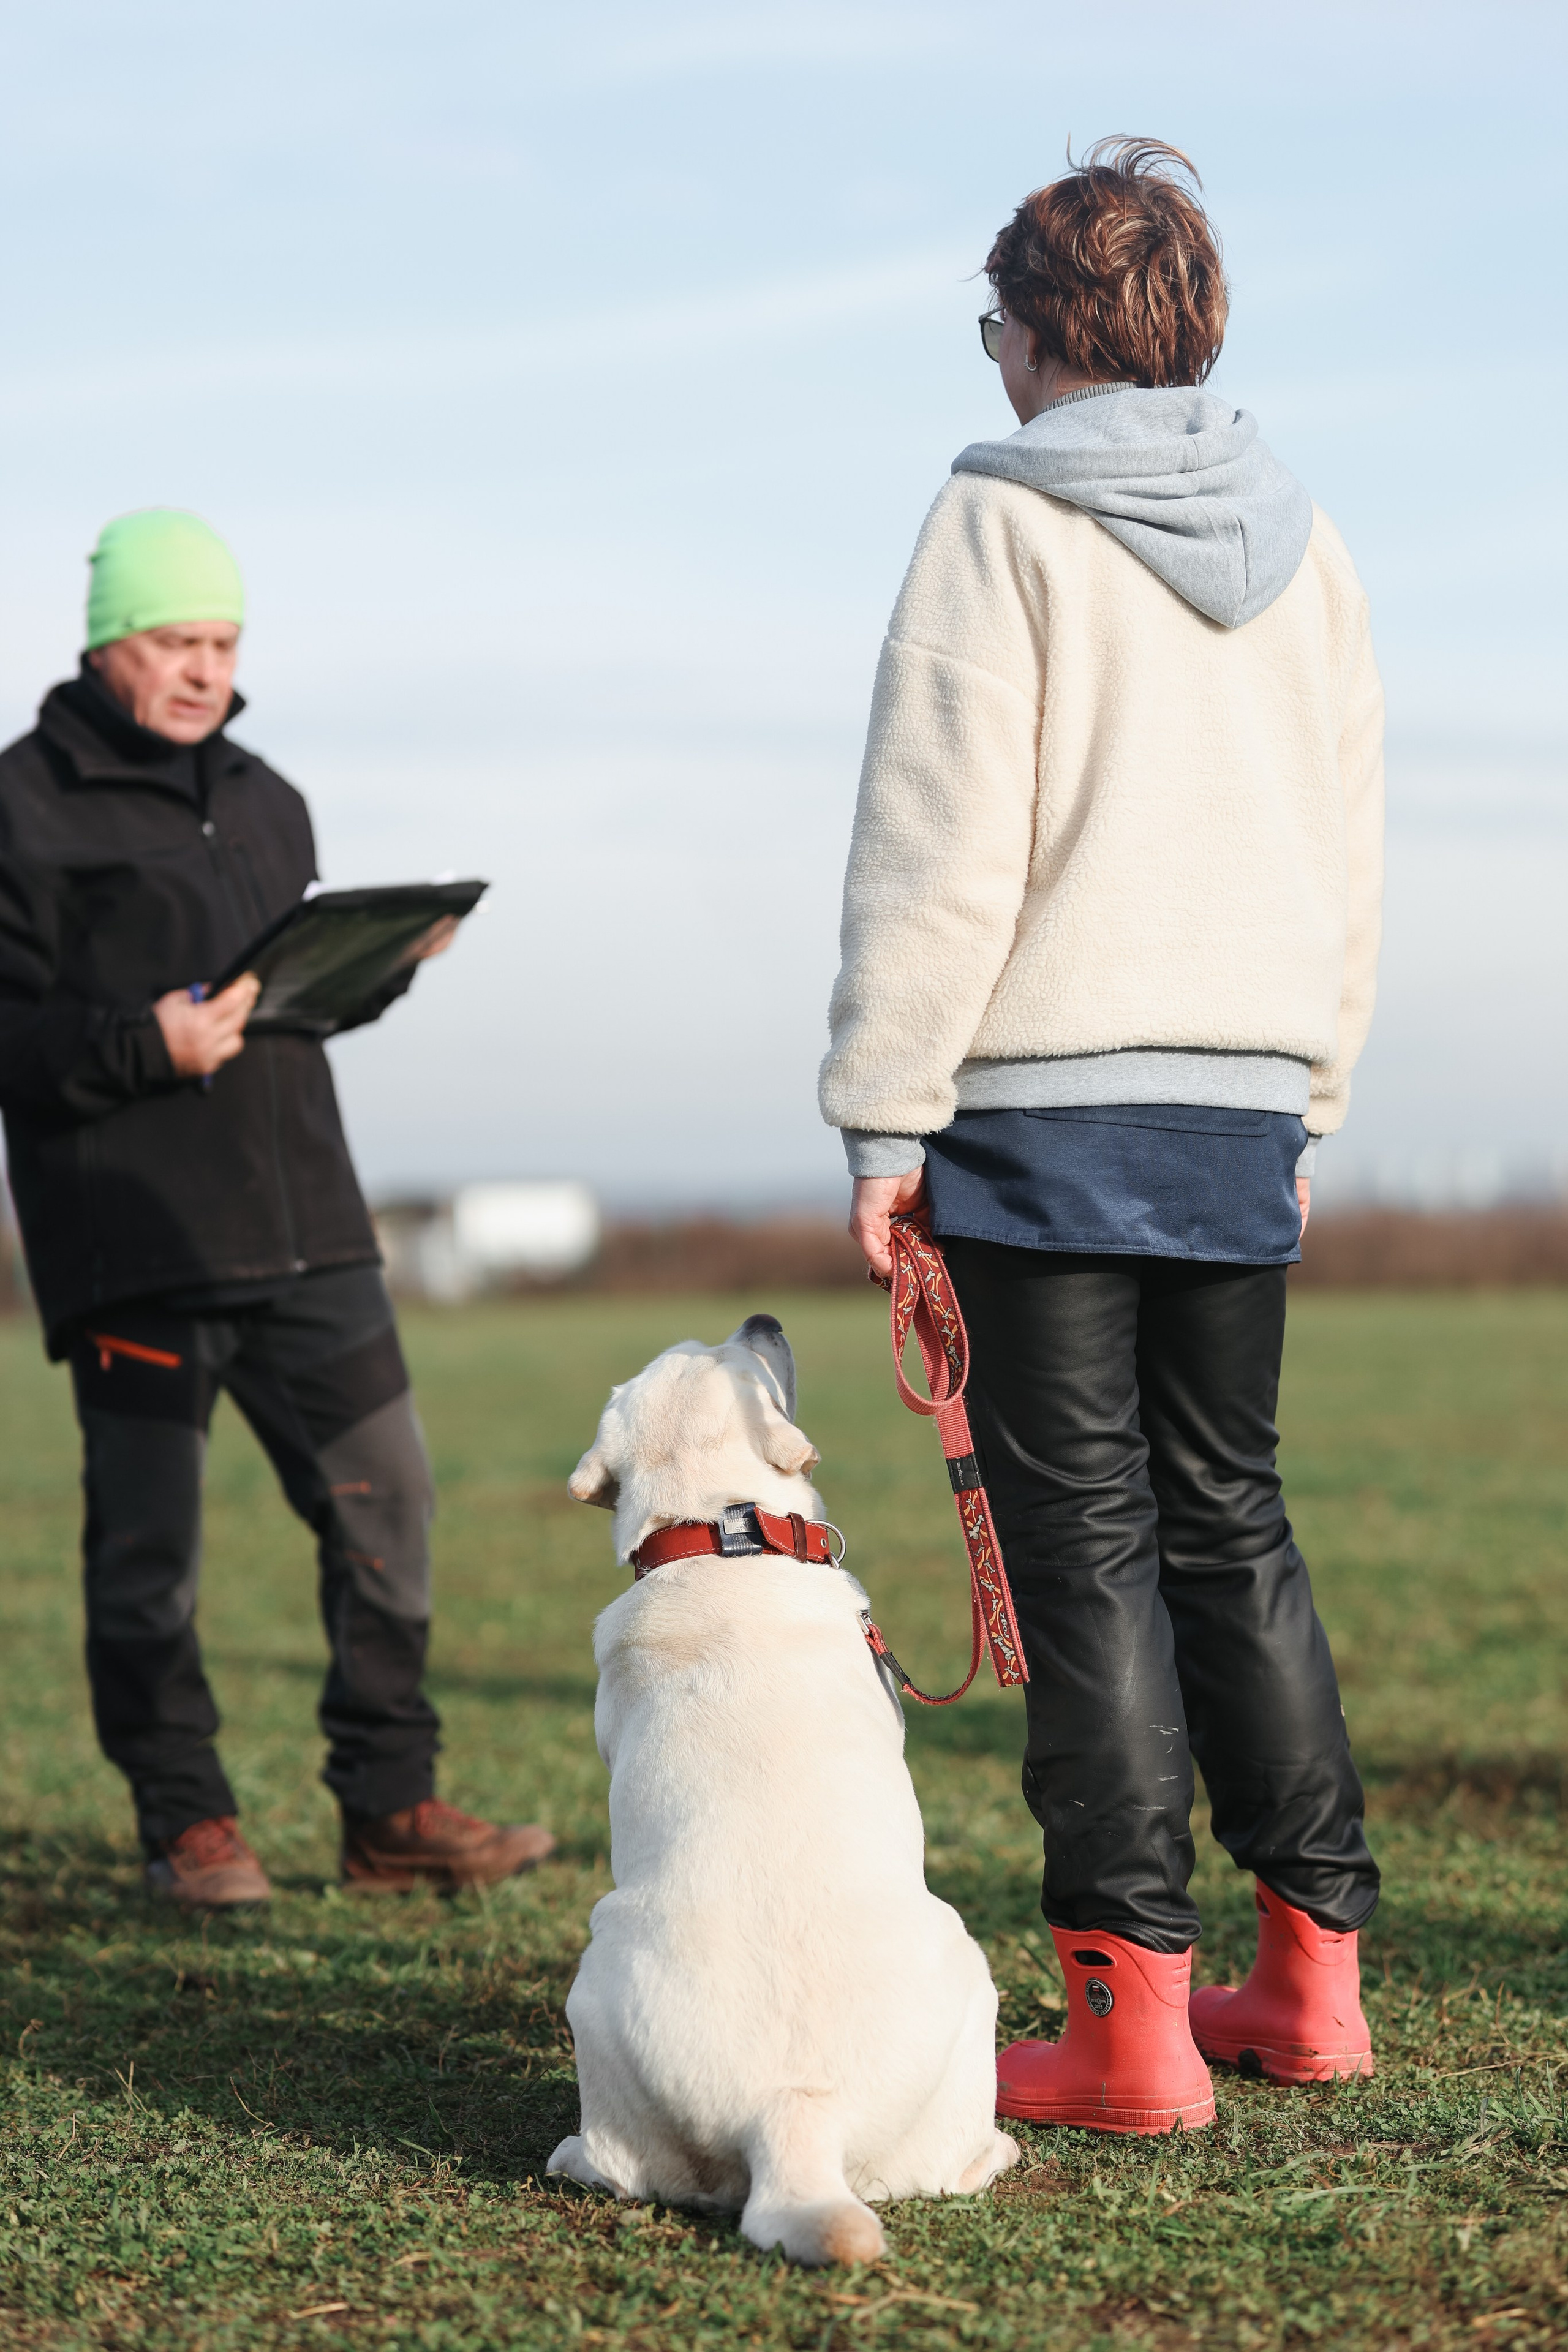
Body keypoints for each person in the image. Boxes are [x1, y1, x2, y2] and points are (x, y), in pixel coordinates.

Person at [821, 141, 1383, 2130]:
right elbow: (1349, 845)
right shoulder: (1309, 543)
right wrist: (1307, 1091)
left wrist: (885, 1122)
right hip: (1241, 1104)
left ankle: (1132, 2030)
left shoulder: (997, 523)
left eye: (991, 328)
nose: (986, 366)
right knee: (1235, 1522)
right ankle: (1308, 1984)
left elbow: (937, 852)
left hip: (1044, 1109)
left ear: (1047, 331)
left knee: (1090, 1555)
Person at [0, 509, 555, 1907]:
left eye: (225, 642)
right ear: (109, 640)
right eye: (178, 641)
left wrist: (381, 961)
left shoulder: (265, 795)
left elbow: (283, 1007)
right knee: (149, 1563)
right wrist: (145, 1045)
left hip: (310, 1232)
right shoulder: (24, 804)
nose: (204, 669)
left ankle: (388, 1808)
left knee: (394, 1514)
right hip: (135, 1246)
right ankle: (187, 1824)